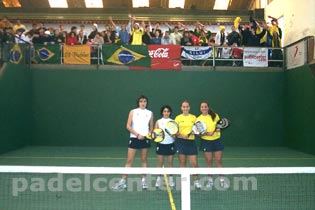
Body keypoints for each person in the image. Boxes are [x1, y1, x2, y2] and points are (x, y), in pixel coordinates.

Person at [112, 95, 154, 190]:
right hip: (134, 138)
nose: (143, 103)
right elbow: (128, 126)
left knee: (144, 160)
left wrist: (147, 135)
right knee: (129, 160)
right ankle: (123, 182)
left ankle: (144, 181)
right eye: (141, 101)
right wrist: (137, 134)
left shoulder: (150, 113)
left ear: (146, 103)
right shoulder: (133, 112)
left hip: (145, 139)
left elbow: (151, 128)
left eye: (144, 101)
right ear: (138, 103)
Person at [196, 101, 227, 188]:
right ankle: (210, 181)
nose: (204, 108)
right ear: (200, 108)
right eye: (202, 107)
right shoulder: (198, 119)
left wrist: (213, 132)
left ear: (208, 107)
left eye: (205, 106)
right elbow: (198, 133)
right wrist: (207, 134)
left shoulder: (215, 116)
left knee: (218, 161)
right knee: (209, 162)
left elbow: (219, 128)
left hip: (216, 141)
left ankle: (222, 180)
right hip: (206, 142)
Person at [174, 100, 201, 189]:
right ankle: (184, 182)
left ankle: (196, 181)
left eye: (187, 106)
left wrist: (192, 133)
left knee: (194, 163)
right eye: (184, 107)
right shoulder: (177, 118)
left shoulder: (194, 118)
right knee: (182, 163)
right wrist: (181, 135)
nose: (185, 108)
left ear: (189, 107)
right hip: (180, 142)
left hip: (191, 142)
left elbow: (197, 130)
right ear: (181, 108)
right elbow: (174, 131)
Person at [154, 105, 176, 188]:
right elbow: (155, 133)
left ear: (170, 112)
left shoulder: (173, 121)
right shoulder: (158, 121)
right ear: (162, 112)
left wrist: (174, 135)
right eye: (164, 111)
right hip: (161, 144)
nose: (166, 113)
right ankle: (158, 180)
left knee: (170, 163)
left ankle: (170, 180)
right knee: (160, 163)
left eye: (168, 111)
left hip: (170, 144)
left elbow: (175, 134)